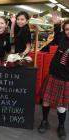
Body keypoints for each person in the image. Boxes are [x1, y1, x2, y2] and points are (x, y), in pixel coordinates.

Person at [38, 11, 69, 140]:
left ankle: (61, 126)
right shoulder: (62, 38)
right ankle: (45, 121)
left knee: (61, 106)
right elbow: (57, 35)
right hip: (53, 75)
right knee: (45, 101)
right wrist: (57, 24)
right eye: (67, 29)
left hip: (65, 79)